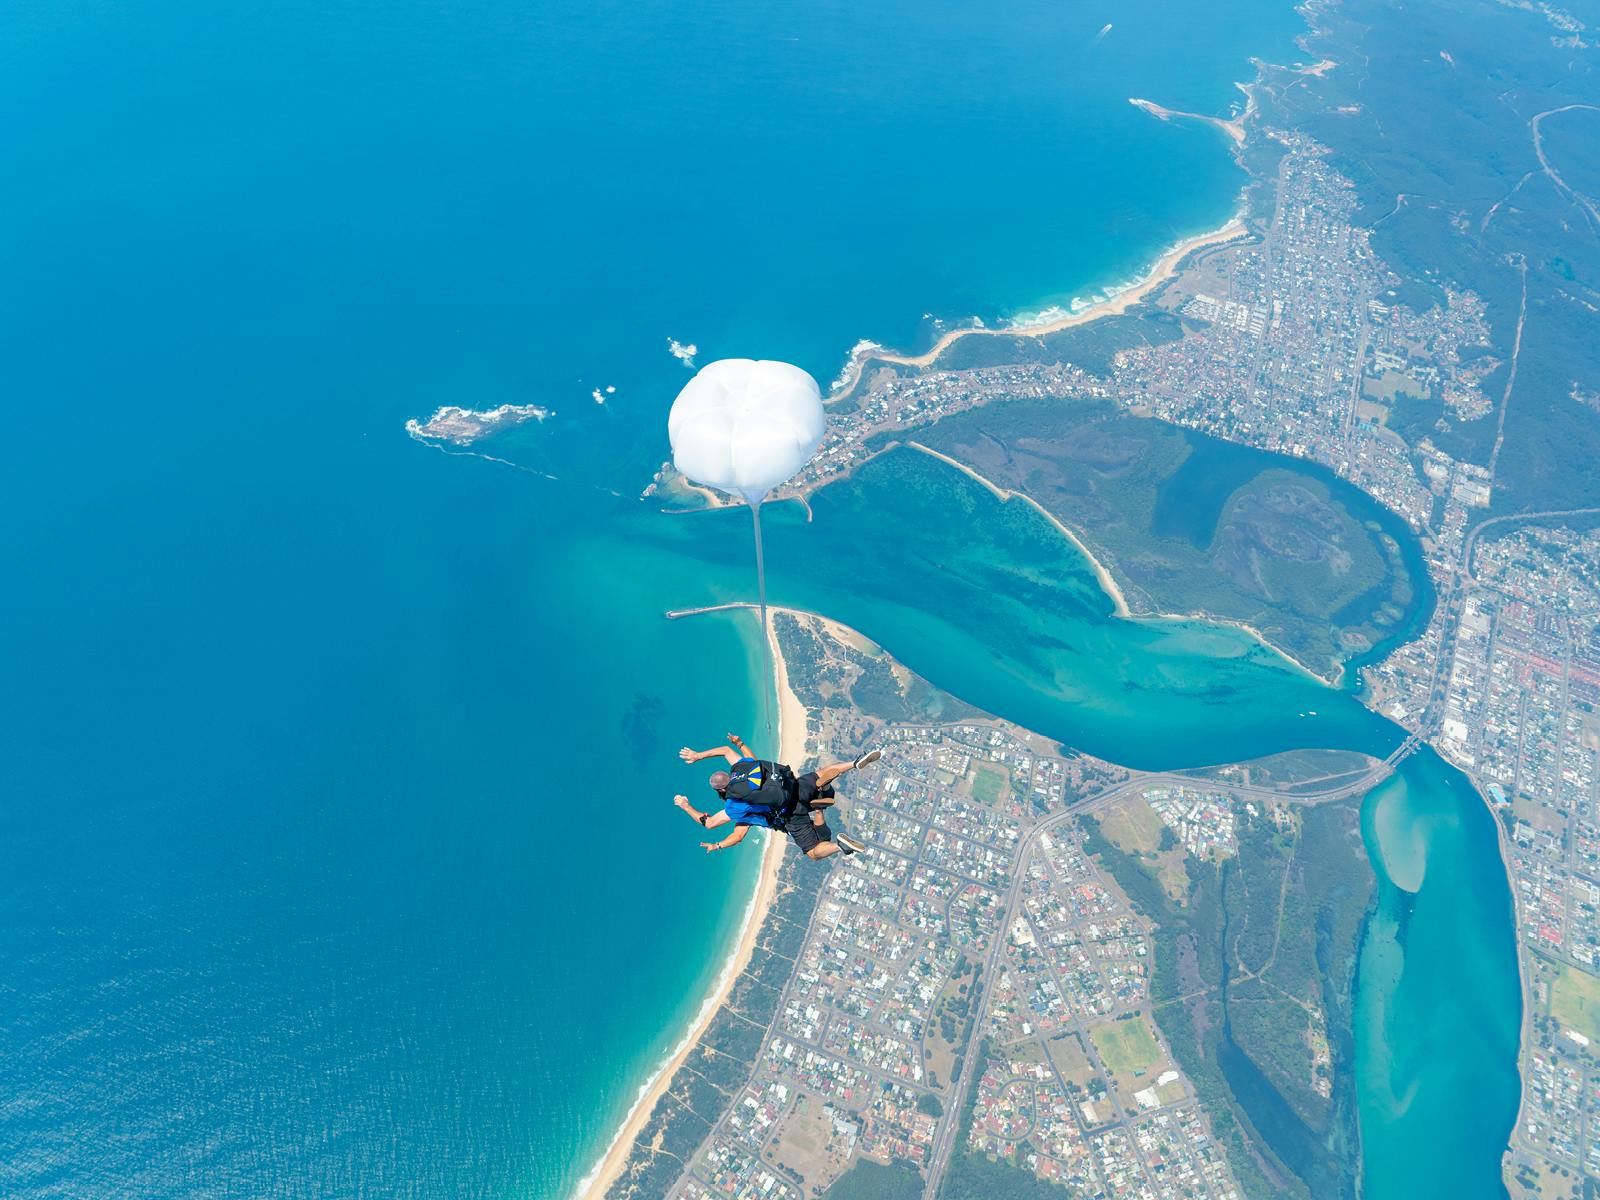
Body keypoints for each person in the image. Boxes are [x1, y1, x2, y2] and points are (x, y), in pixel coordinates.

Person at [673, 732, 882, 860]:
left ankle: (839, 845)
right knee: (821, 773)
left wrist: (686, 806)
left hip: (790, 816)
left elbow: (714, 826)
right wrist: (702, 754)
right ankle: (853, 764)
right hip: (794, 786)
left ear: (721, 791)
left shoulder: (736, 807)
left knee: (813, 851)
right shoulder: (743, 767)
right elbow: (728, 751)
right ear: (729, 776)